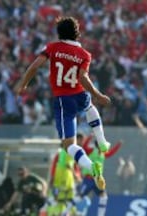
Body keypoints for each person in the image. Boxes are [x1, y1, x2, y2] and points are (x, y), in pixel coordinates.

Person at [15, 16, 111, 190]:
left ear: (59, 33)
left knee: (69, 146)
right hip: (79, 93)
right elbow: (82, 77)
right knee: (90, 107)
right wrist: (97, 94)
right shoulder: (84, 54)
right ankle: (102, 141)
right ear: (77, 33)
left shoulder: (52, 48)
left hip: (63, 99)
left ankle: (92, 167)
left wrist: (23, 83)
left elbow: (35, 66)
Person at [79, 140, 122, 216]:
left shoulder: (103, 154)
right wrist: (89, 137)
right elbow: (84, 147)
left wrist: (118, 145)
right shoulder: (91, 150)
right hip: (88, 178)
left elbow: (111, 153)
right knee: (79, 197)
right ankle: (66, 212)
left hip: (97, 179)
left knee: (104, 197)